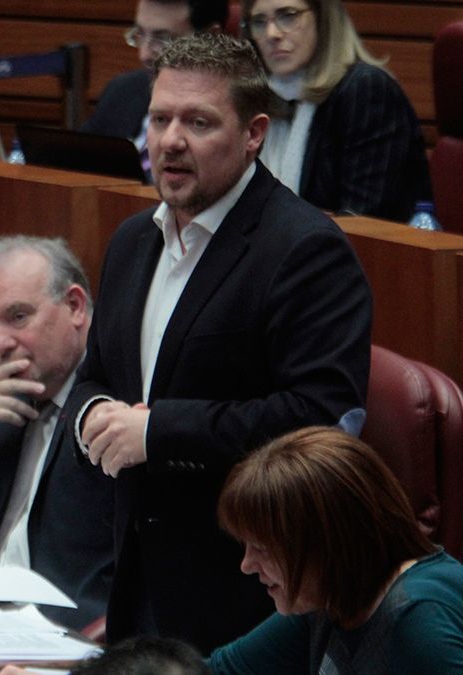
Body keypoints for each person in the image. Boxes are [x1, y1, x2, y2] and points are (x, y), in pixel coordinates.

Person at [66, 33, 372, 652]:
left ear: (254, 133)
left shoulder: (304, 249)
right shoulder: (132, 242)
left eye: (198, 121)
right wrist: (92, 416)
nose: (170, 139)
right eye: (159, 119)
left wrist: (156, 432)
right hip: (134, 582)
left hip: (245, 598)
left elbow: (320, 420)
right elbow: (96, 378)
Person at [0, 234, 114, 629]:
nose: (0, 344)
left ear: (75, 306)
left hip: (60, 636)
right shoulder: (11, 400)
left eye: (18, 317)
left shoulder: (113, 406)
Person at [209, 427, 463, 673]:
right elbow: (219, 671)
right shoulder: (330, 598)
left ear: (325, 544)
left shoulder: (418, 622)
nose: (247, 565)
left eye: (262, 548)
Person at [241, 0, 431, 221]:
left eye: (288, 16)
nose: (271, 33)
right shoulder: (257, 99)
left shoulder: (367, 91)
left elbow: (362, 223)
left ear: (324, 19)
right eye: (259, 21)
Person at [82, 0, 228, 179]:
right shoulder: (122, 91)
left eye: (162, 39)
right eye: (140, 34)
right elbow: (74, 166)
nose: (144, 55)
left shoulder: (235, 113)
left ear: (210, 38)